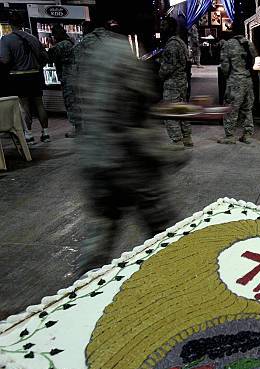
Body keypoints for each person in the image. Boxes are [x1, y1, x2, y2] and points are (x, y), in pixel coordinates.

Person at [77, 18, 177, 275]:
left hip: (94, 162)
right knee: (164, 232)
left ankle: (82, 290)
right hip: (129, 167)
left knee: (100, 233)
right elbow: (131, 122)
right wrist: (167, 154)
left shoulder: (94, 54)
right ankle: (178, 283)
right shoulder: (126, 56)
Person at [0, 11, 50, 144]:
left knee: (24, 106)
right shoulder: (33, 38)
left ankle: (28, 135)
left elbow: (4, 60)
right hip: (35, 75)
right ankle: (46, 133)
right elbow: (44, 56)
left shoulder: (6, 39)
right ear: (22, 23)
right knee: (39, 104)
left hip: (19, 77)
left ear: (10, 24)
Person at [218, 22, 257, 144]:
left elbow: (225, 66)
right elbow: (255, 60)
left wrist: (228, 77)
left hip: (235, 81)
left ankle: (229, 136)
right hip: (248, 81)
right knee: (247, 108)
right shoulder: (249, 43)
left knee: (230, 108)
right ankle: (247, 134)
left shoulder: (228, 44)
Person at [159, 17, 193, 147]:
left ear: (171, 28)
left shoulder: (171, 45)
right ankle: (187, 137)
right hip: (182, 82)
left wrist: (159, 74)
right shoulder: (180, 42)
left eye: (164, 25)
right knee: (182, 111)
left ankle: (177, 141)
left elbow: (167, 68)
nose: (161, 28)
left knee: (170, 111)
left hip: (172, 83)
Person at [49, 24, 77, 138]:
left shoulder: (60, 45)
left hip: (67, 77)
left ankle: (76, 128)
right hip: (74, 76)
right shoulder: (71, 41)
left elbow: (49, 57)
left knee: (70, 103)